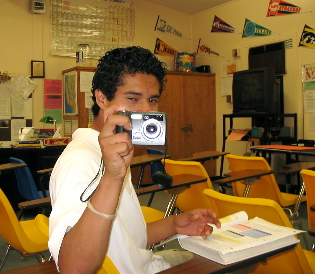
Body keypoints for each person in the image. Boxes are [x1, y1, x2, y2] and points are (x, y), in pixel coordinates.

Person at [48, 46, 220, 273]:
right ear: (101, 98)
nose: (146, 111)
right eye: (133, 98)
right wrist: (112, 177)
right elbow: (73, 268)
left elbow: (124, 238)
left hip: (146, 262)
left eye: (153, 100)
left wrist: (174, 224)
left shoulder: (113, 152)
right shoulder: (80, 163)